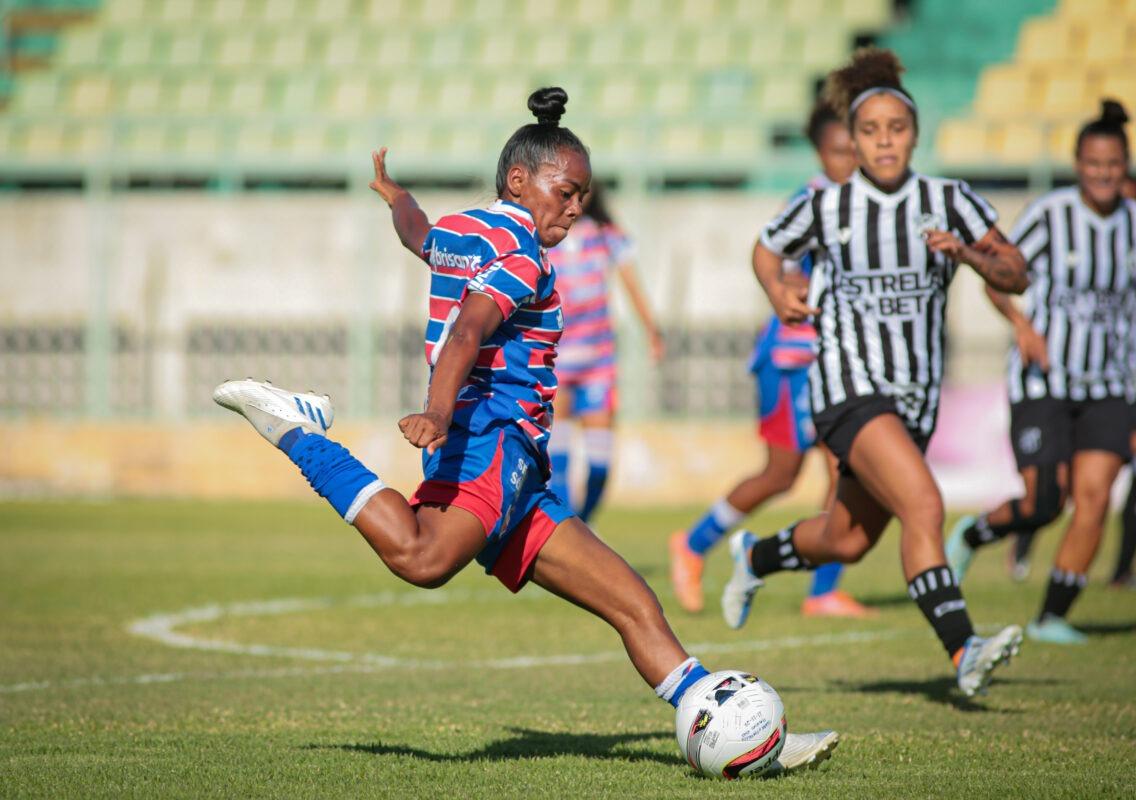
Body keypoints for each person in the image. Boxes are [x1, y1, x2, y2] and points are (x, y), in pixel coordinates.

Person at [212, 87, 837, 771]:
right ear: (520, 179)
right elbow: (472, 328)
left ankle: (749, 736)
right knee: (423, 559)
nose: (575, 208)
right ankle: (299, 434)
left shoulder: (463, 230)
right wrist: (441, 411)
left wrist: (393, 195)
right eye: (566, 192)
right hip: (490, 438)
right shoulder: (524, 257)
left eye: (583, 197)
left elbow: (417, 233)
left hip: (515, 457)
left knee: (631, 601)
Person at [718, 49, 1028, 697]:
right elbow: (765, 249)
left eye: (897, 129)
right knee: (924, 503)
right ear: (853, 140)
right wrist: (778, 294)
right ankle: (963, 648)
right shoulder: (827, 207)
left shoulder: (949, 200)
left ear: (914, 134)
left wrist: (968, 254)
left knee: (846, 539)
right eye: (870, 131)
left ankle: (754, 556)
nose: (884, 141)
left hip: (915, 400)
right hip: (847, 389)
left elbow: (1017, 272)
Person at [945, 100, 1136, 643]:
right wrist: (1022, 327)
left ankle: (1052, 616)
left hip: (1113, 384)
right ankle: (974, 534)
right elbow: (997, 275)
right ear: (1078, 163)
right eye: (1094, 164)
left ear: (1126, 166)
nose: (1103, 173)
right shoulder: (1049, 215)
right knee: (1044, 502)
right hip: (1045, 379)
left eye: (1113, 165)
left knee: (1095, 495)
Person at [669, 101, 873, 619]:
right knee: (780, 474)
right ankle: (693, 545)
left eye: (854, 151)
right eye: (838, 152)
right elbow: (777, 263)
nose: (848, 160)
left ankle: (823, 590)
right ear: (821, 153)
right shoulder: (808, 201)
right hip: (789, 361)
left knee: (842, 468)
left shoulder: (861, 202)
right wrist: (791, 284)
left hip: (830, 358)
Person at [545, 184, 664, 523]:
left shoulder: (608, 236)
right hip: (556, 359)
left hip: (598, 361)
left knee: (600, 463)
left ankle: (582, 523)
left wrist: (652, 331)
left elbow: (632, 285)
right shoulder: (544, 237)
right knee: (559, 461)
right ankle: (568, 528)